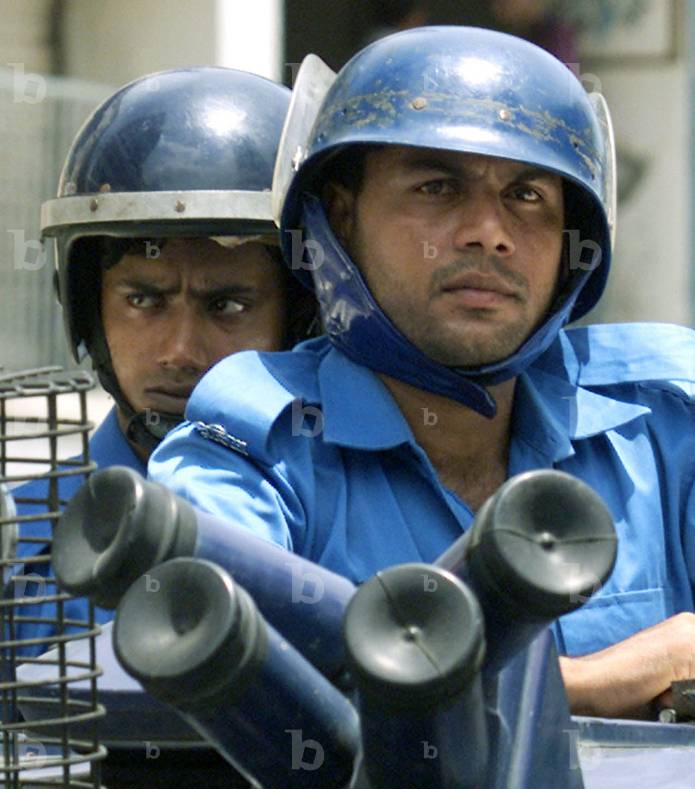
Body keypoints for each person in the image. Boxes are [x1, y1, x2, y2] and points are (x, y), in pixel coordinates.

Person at [149, 27, 695, 719]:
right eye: (437, 186)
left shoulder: (669, 414)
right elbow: (211, 678)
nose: (487, 232)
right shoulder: (253, 445)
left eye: (526, 195)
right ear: (341, 220)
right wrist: (582, 686)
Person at [11, 66, 315, 654]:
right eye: (144, 300)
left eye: (228, 304)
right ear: (89, 311)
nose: (181, 351)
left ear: (301, 318)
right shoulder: (21, 546)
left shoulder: (358, 516)